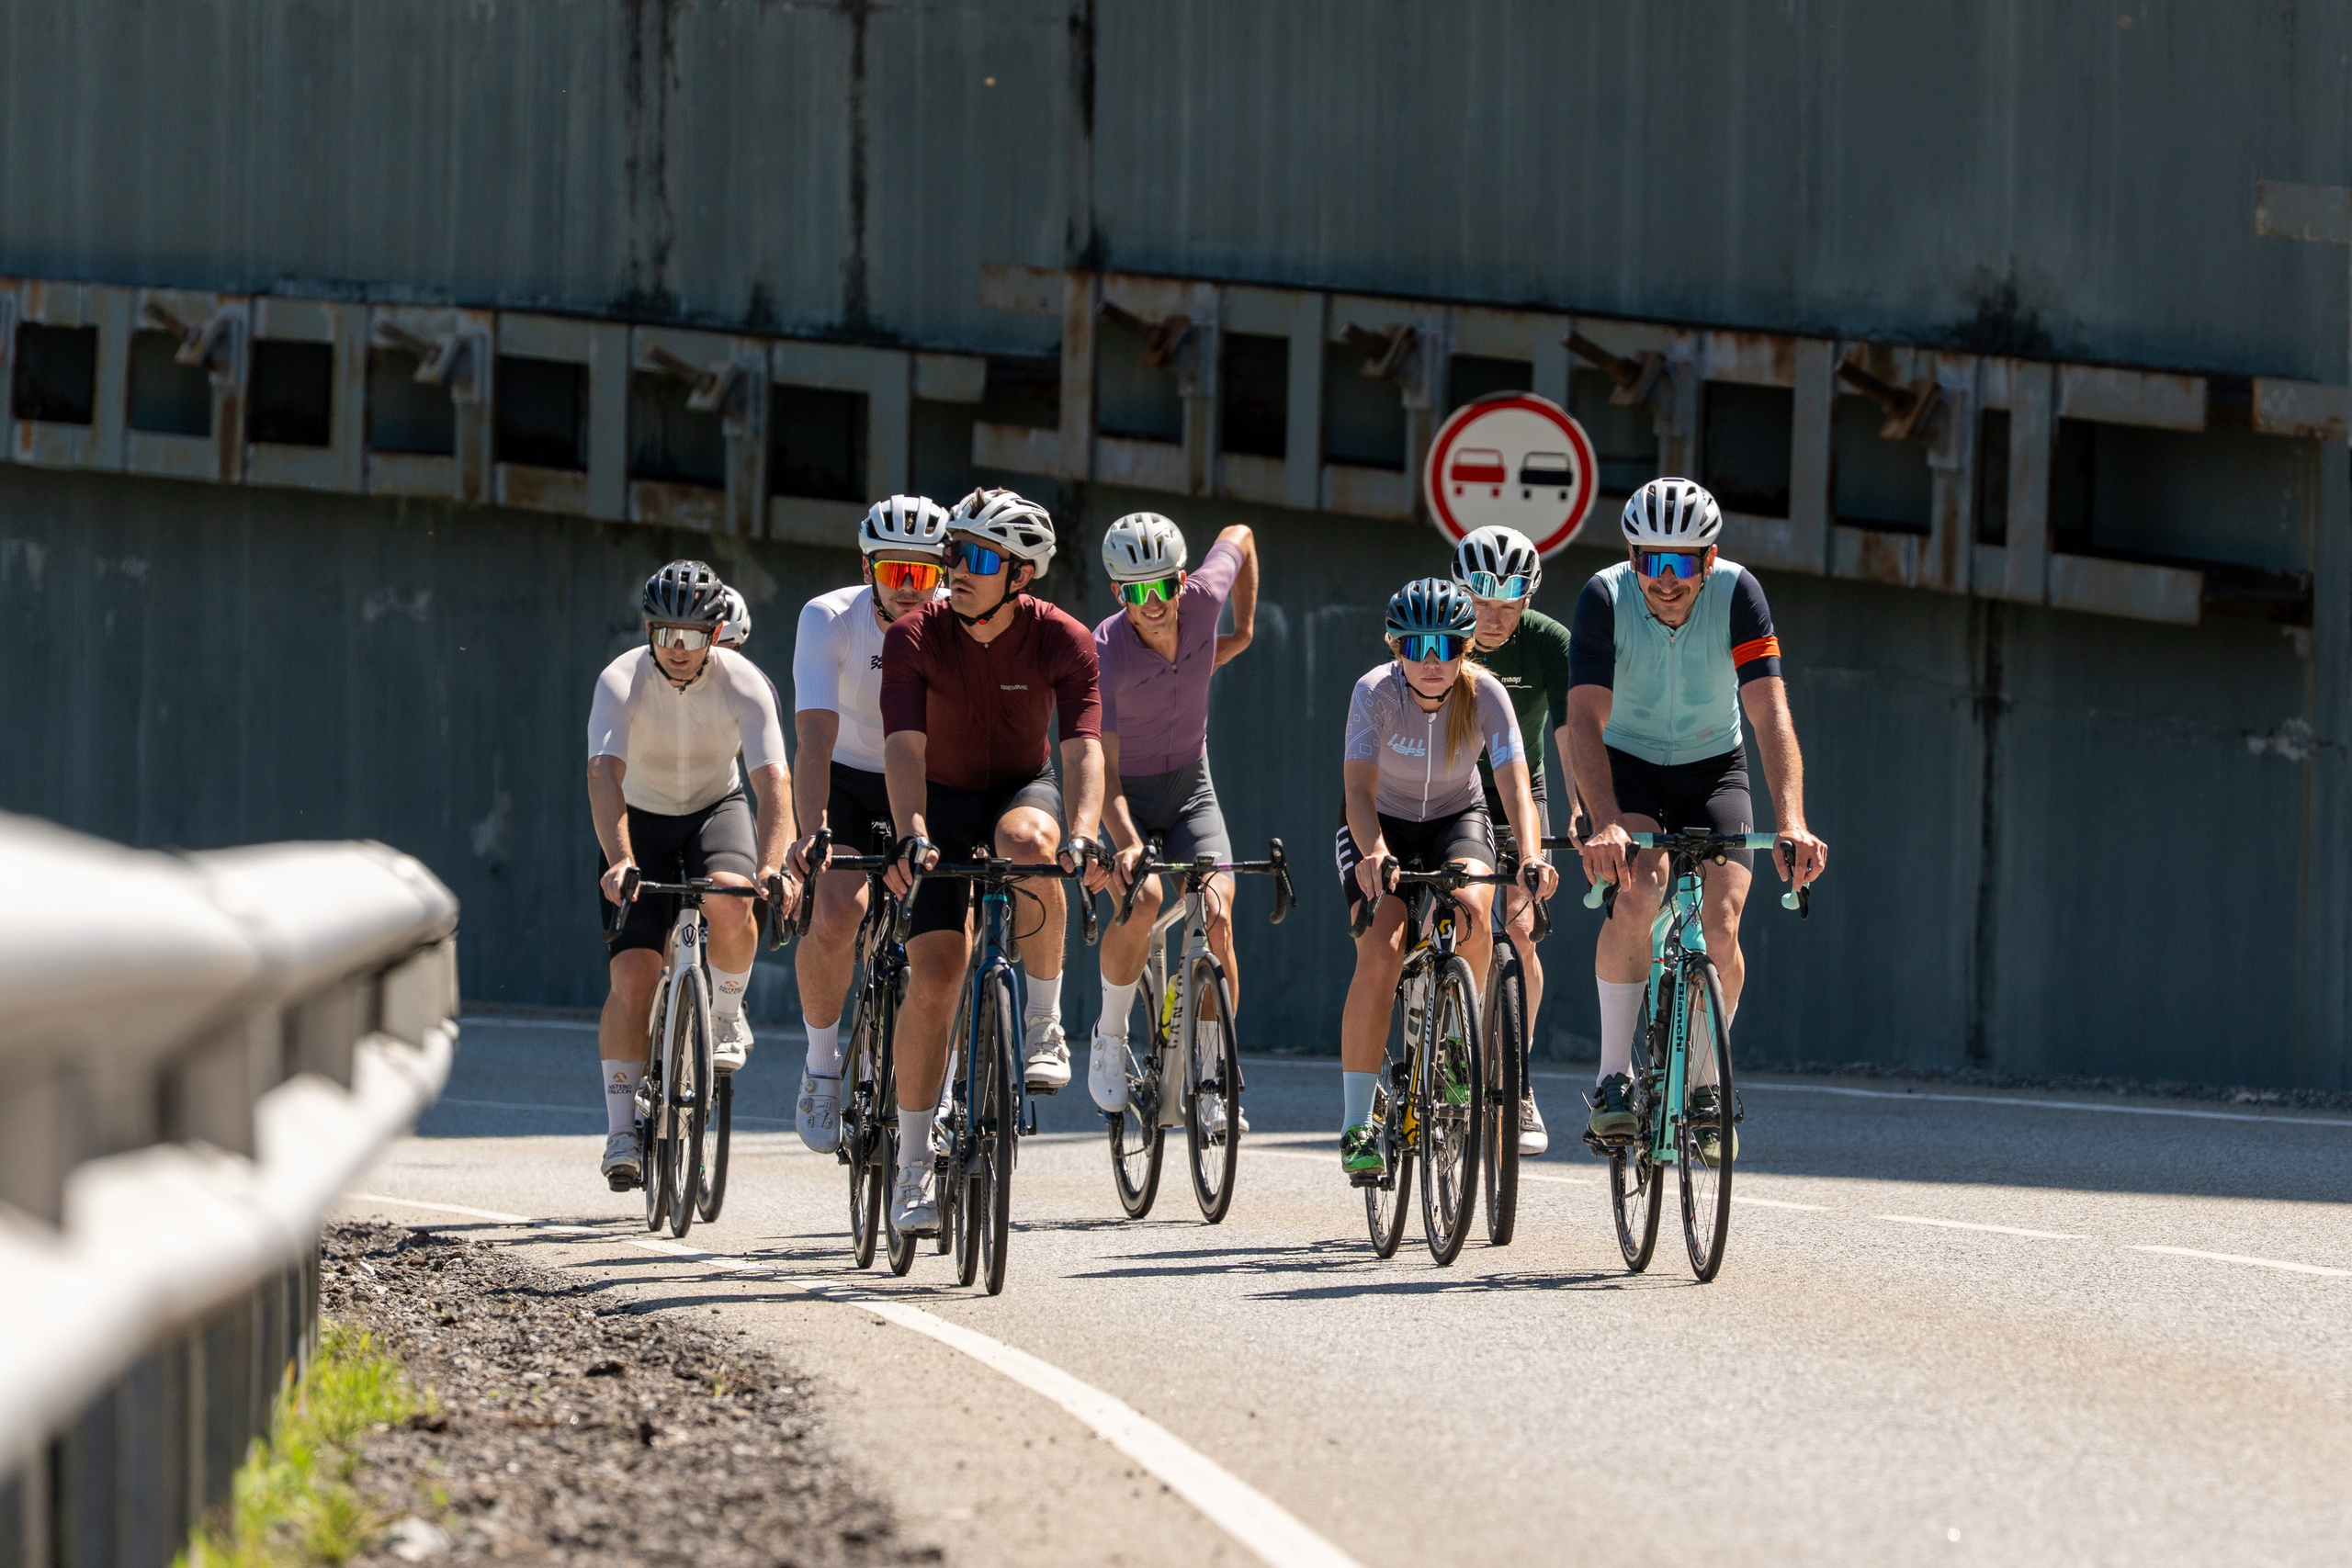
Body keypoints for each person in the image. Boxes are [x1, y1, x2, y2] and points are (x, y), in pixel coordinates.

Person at [1566, 478, 1828, 1165]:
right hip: (1628, 762)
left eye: (1684, 562)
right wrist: (1605, 820)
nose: (1667, 579)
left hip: (1715, 763)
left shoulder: (1739, 594)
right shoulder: (1604, 596)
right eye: (1652, 560)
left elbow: (1769, 713)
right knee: (1639, 888)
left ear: (1709, 560)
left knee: (1725, 916)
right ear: (1632, 556)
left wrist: (1793, 819)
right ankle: (1613, 1076)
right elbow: (1585, 718)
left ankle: (1708, 1085)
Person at [877, 489, 1106, 1235]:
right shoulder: (916, 636)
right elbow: (903, 750)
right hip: (937, 798)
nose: (957, 571)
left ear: (1022, 574)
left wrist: (1083, 831)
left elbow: (1083, 749)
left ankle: (1043, 1023)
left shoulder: (1064, 640)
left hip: (1020, 788)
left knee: (1034, 846)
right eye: (954, 554)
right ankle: (912, 1168)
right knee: (938, 979)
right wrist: (913, 831)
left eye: (977, 559)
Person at [587, 559, 799, 1191]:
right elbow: (603, 776)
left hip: (716, 809)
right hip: (640, 824)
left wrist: (772, 862)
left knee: (733, 900)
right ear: (650, 631)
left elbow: (773, 782)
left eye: (693, 637)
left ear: (716, 634)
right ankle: (623, 1128)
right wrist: (620, 859)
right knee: (632, 977)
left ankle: (726, 1014)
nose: (679, 652)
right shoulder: (619, 680)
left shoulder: (744, 682)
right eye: (666, 637)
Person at [1335, 578, 1557, 1180]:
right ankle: (1358, 1123)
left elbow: (1514, 786)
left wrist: (1532, 857)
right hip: (1379, 824)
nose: (1432, 661)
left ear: (1467, 649)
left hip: (1457, 818)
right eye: (1416, 646)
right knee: (1382, 950)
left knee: (1475, 913)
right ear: (1395, 645)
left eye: (1448, 647)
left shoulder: (1485, 694)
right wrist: (1374, 852)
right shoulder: (1374, 692)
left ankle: (1456, 1050)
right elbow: (1357, 789)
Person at [784, 495, 951, 1155]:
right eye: (896, 574)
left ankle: (942, 1083)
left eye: (925, 575)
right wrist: (812, 829)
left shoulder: (955, 628)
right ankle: (822, 1066)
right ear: (868, 568)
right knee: (835, 910)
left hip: (928, 778)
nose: (911, 591)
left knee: (946, 937)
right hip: (849, 777)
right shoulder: (829, 618)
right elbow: (814, 737)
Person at [1085, 513, 1258, 1127]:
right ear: (1117, 593)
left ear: (1182, 580)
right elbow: (1098, 771)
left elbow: (1238, 533)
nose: (1151, 602)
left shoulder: (1206, 601)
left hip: (1191, 789)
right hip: (1122, 795)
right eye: (1134, 592)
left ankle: (1212, 1075)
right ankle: (1109, 1035)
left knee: (1216, 909)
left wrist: (1245, 629)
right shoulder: (1103, 650)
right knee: (1144, 898)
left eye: (1161, 586)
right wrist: (1128, 843)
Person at [1453, 525, 1575, 1158]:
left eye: (1509, 604)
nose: (1493, 620)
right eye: (1482, 604)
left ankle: (1516, 1081)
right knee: (1456, 911)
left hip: (1520, 786)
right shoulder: (1438, 636)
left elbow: (1572, 730)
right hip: (1444, 791)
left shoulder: (1550, 642)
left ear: (1528, 599)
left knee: (1520, 926)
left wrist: (1581, 811)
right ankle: (1436, 1006)